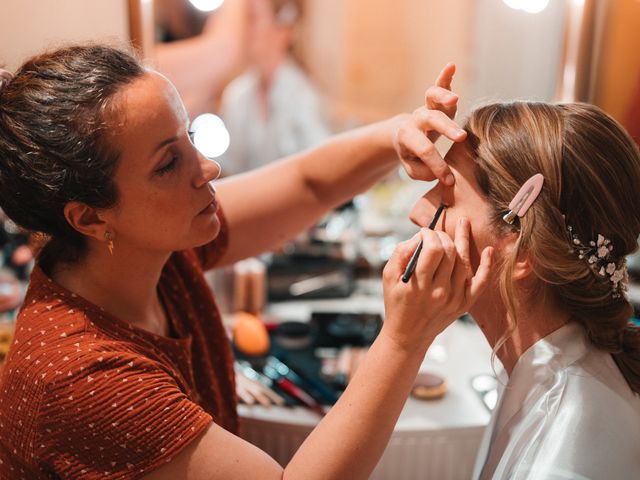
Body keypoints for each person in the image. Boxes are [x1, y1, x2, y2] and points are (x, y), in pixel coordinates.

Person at [0, 45, 492, 479]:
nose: (208, 168)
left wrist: (398, 133)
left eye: (189, 135)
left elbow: (308, 184)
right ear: (88, 217)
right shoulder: (82, 380)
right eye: (169, 163)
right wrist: (405, 339)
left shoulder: (152, 247)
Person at [409, 85, 640, 477]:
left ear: (523, 254)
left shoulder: (565, 457)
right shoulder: (545, 371)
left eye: (445, 199)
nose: (418, 212)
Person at [219, 0, 331, 175]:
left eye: (252, 19)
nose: (243, 30)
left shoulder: (305, 98)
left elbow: (324, 168)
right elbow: (229, 167)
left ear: (284, 29)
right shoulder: (236, 94)